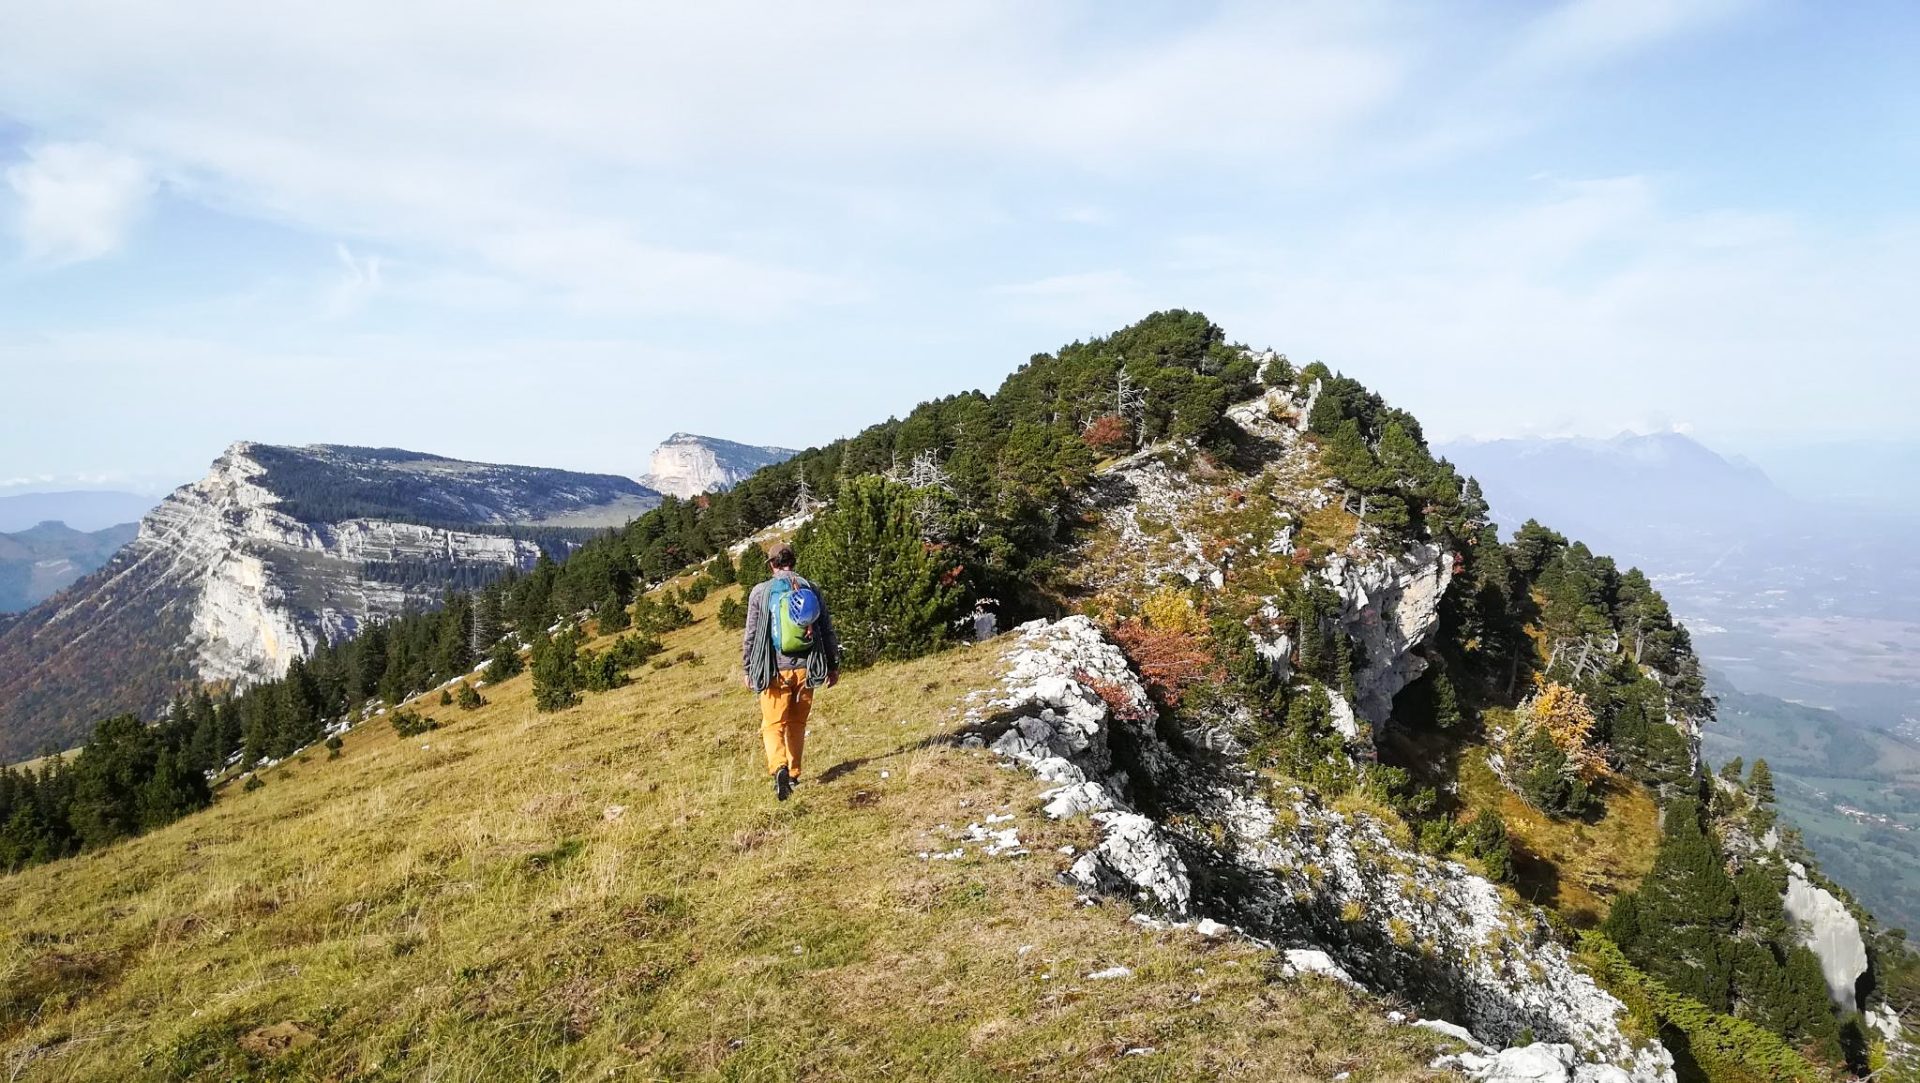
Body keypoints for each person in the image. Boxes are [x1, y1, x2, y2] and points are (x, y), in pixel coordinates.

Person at [740, 542, 840, 801]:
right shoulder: (811, 588)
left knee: (773, 724)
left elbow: (751, 635)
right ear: (793, 562)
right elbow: (826, 630)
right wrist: (833, 665)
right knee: (797, 723)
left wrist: (749, 668)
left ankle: (779, 767)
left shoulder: (760, 592)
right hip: (808, 667)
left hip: (774, 669)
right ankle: (794, 773)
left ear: (772, 564)